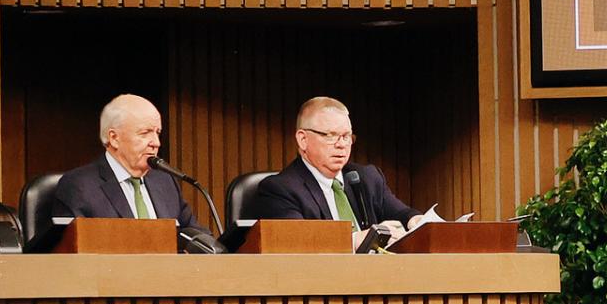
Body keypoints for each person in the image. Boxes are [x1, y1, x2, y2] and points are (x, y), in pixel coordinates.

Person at [245, 96, 422, 249]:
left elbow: (403, 214)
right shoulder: (280, 189)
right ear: (303, 139)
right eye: (330, 135)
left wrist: (416, 222)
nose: (341, 144)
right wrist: (354, 241)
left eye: (346, 136)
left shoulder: (366, 178)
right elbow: (299, 243)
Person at [51, 94, 213, 246]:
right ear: (114, 138)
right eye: (145, 133)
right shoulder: (80, 186)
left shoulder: (165, 182)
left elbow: (195, 234)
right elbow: (75, 252)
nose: (156, 143)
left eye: (157, 133)